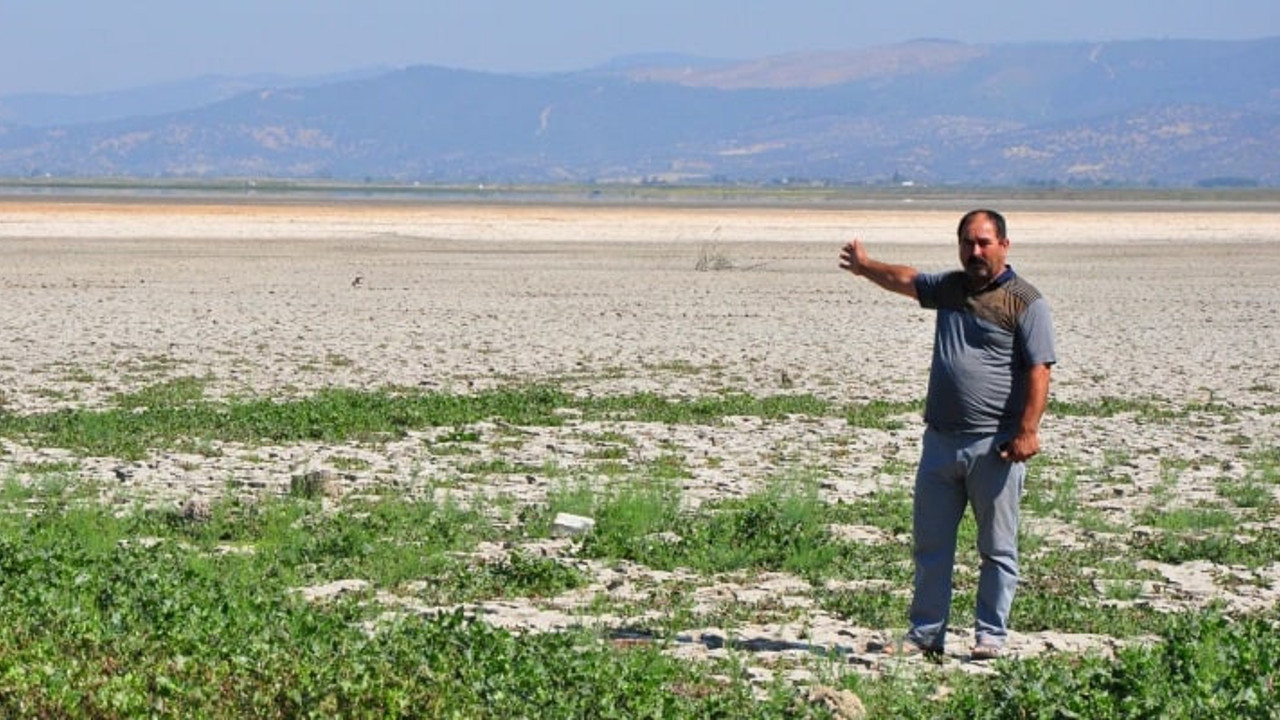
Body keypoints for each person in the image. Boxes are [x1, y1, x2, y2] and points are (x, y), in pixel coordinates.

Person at [838, 209, 1056, 661]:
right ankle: (925, 635)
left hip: (994, 445)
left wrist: (1028, 430)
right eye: (967, 243)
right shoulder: (951, 288)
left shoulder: (1026, 301)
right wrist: (864, 267)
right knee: (931, 545)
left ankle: (990, 636)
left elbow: (1040, 368)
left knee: (996, 548)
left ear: (1004, 245)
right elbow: (906, 279)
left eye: (984, 243)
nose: (975, 252)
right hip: (940, 442)